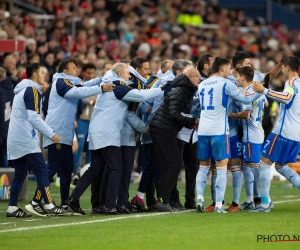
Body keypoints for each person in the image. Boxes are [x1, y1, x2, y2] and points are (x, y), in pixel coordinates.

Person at [66, 62, 164, 215]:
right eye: (127, 73)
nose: (129, 76)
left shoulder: (110, 83)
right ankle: (109, 206)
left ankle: (74, 198)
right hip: (107, 132)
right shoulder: (119, 87)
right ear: (120, 74)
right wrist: (162, 88)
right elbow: (142, 95)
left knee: (96, 167)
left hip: (97, 130)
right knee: (116, 168)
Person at [27, 58, 115, 215]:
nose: (77, 70)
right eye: (74, 68)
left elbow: (82, 85)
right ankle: (35, 202)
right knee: (52, 168)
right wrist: (101, 88)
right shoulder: (60, 81)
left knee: (66, 170)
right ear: (65, 71)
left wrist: (102, 79)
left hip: (65, 133)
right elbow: (78, 92)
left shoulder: (69, 82)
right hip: (56, 132)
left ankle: (66, 204)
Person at [196, 57, 262, 213]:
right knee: (221, 168)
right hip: (219, 131)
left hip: (203, 130)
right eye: (229, 68)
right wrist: (261, 92)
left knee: (203, 167)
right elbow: (245, 98)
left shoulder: (202, 84)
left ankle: (199, 198)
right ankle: (219, 205)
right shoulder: (226, 84)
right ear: (223, 69)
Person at [6, 63, 65, 218]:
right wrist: (51, 133)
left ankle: (12, 208)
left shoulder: (21, 90)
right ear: (34, 75)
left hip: (15, 137)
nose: (45, 75)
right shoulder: (32, 90)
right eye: (42, 73)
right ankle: (50, 205)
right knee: (42, 170)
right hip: (25, 138)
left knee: (20, 173)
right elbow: (33, 117)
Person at [250, 56, 300, 212]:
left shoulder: (291, 83)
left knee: (264, 163)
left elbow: (286, 98)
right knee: (280, 165)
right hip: (295, 132)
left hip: (283, 131)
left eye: (283, 68)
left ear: (286, 68)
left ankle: (264, 204)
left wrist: (264, 90)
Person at [150, 68, 200, 212]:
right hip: (163, 129)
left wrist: (191, 123)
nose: (199, 79)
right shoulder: (181, 91)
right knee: (174, 163)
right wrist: (193, 120)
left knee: (168, 165)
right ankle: (164, 200)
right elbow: (174, 112)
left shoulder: (184, 89)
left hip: (162, 129)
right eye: (196, 76)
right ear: (189, 77)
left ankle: (162, 200)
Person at [228, 66, 268, 210]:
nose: (236, 78)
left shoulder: (248, 92)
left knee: (254, 169)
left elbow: (246, 114)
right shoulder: (258, 91)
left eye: (237, 76)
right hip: (256, 131)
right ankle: (251, 199)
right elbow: (266, 103)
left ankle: (264, 200)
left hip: (251, 135)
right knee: (248, 167)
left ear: (243, 78)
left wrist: (230, 114)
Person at [0, 67, 14, 168]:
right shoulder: (10, 89)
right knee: (4, 155)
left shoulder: (1, 91)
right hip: (7, 126)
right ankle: (5, 182)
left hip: (1, 127)